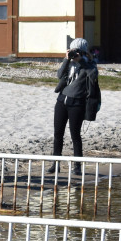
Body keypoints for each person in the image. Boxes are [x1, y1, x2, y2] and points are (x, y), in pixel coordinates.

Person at [52, 38, 101, 174]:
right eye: (72, 51)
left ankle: (77, 166)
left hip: (77, 103)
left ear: (84, 52)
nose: (75, 54)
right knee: (58, 133)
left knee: (75, 135)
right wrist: (67, 59)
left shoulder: (89, 65)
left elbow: (93, 76)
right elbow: (59, 75)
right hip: (62, 101)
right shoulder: (69, 62)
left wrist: (83, 61)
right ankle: (55, 164)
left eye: (77, 51)